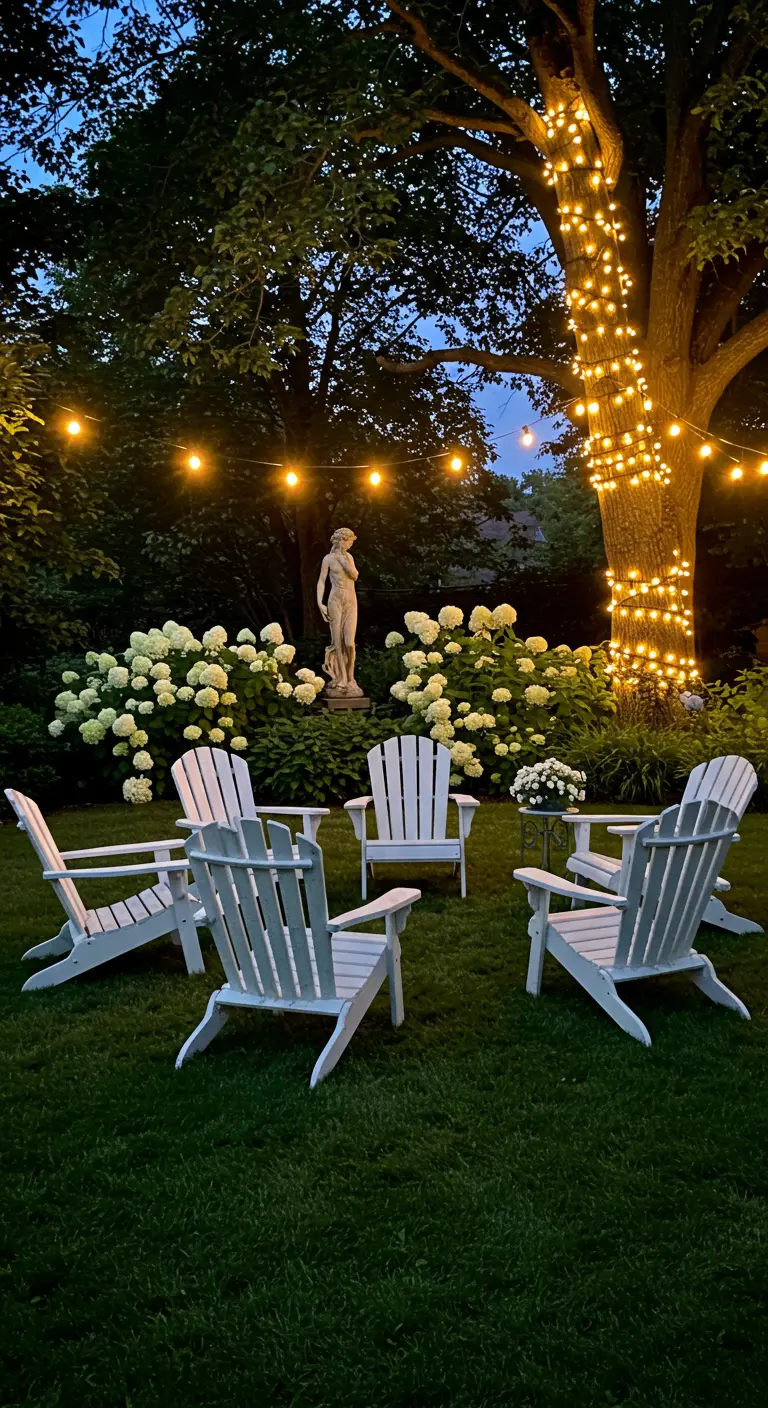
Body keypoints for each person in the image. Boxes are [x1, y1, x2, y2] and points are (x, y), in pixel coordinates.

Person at [316, 527, 362, 695]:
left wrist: (344, 562)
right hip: (335, 600)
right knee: (337, 642)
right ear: (341, 541)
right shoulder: (328, 559)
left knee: (349, 643)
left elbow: (355, 575)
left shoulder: (348, 557)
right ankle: (342, 678)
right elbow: (322, 581)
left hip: (350, 600)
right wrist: (320, 603)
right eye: (349, 542)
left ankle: (350, 678)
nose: (350, 545)